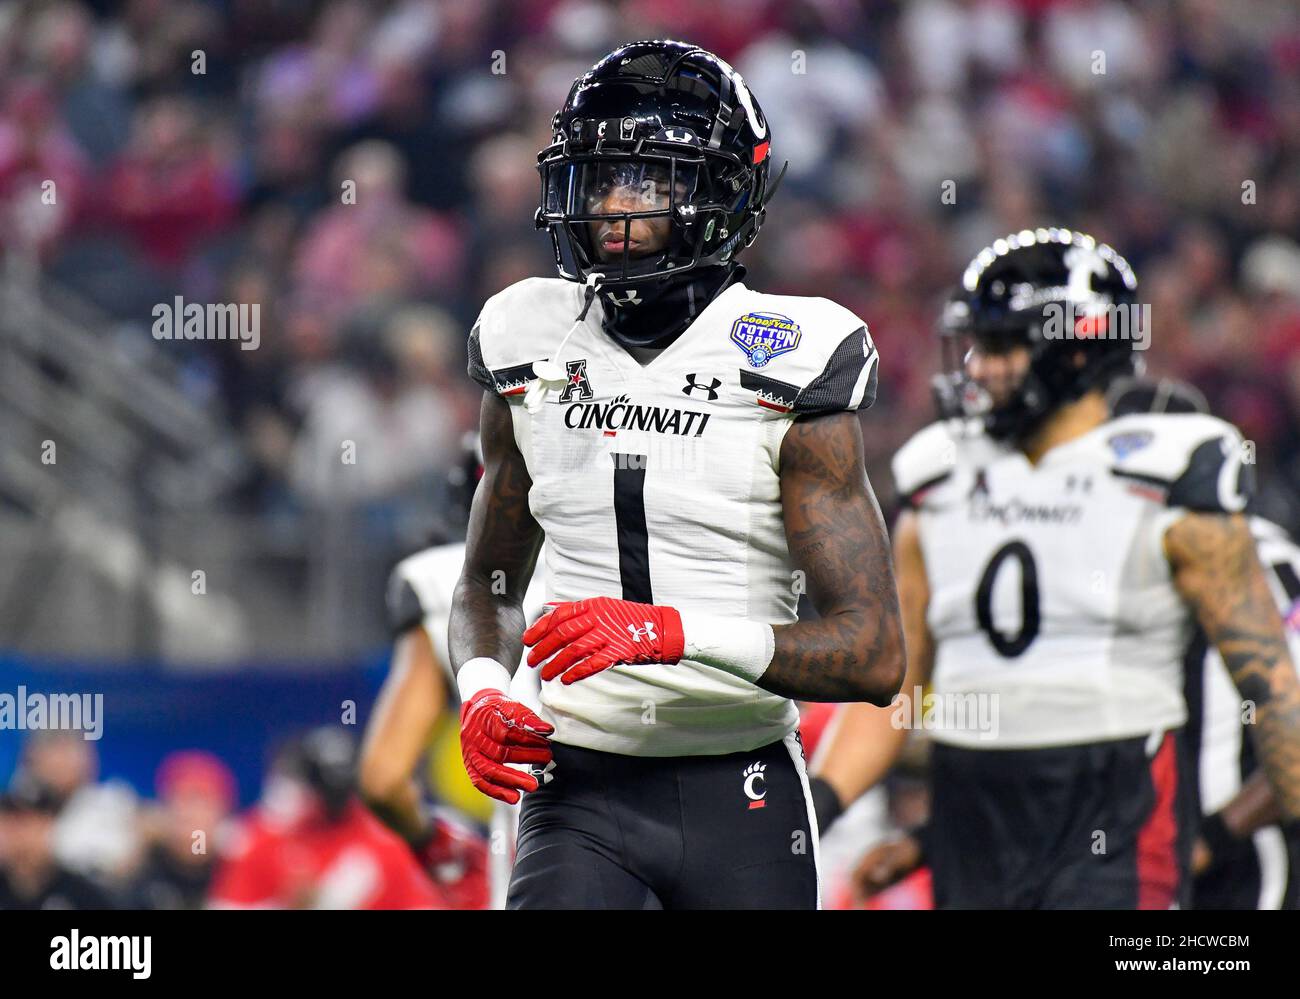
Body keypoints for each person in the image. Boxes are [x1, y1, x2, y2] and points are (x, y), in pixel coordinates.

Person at [449, 39, 904, 910]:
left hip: (740, 787)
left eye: (650, 181)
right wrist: (481, 690)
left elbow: (873, 653)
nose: (615, 207)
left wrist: (671, 634)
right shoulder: (526, 335)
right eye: (603, 176)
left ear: (723, 196)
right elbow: (488, 580)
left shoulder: (792, 355)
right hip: (573, 779)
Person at [815, 229, 1300, 909]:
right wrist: (816, 808)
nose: (978, 368)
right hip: (971, 809)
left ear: (1077, 345)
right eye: (977, 345)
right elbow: (900, 697)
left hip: (1117, 800)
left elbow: (1275, 692)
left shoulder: (1165, 477)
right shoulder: (939, 477)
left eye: (1003, 346)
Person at [360, 435, 545, 908]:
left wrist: (437, 845)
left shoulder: (442, 578)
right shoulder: (649, 565)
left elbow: (383, 779)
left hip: (547, 859)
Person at [209, 728, 441, 910]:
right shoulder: (260, 837)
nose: (328, 802)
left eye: (340, 791)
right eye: (319, 788)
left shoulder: (391, 842)